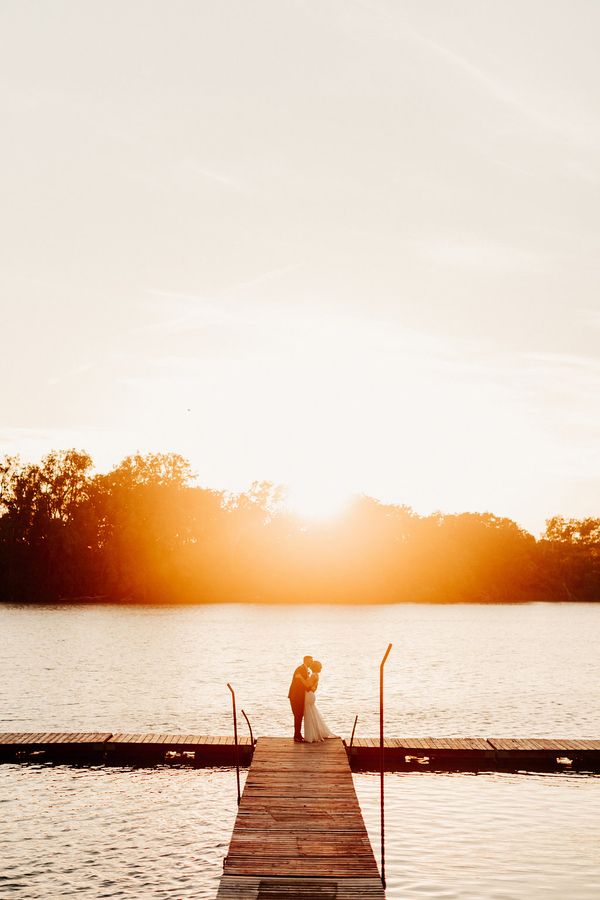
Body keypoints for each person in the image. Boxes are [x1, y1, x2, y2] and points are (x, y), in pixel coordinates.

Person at [301, 660, 336, 742]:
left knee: (309, 715)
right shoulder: (316, 675)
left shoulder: (313, 675)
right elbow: (313, 687)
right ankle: (314, 734)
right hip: (311, 695)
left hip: (308, 695)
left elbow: (307, 685)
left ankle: (311, 736)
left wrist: (300, 678)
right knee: (312, 714)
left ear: (313, 667)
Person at [288, 655, 313, 742]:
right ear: (306, 661)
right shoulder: (301, 669)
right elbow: (303, 684)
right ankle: (296, 736)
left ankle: (298, 734)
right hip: (296, 697)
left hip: (299, 697)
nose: (311, 662)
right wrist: (310, 688)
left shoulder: (304, 669)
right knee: (298, 716)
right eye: (310, 661)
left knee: (299, 716)